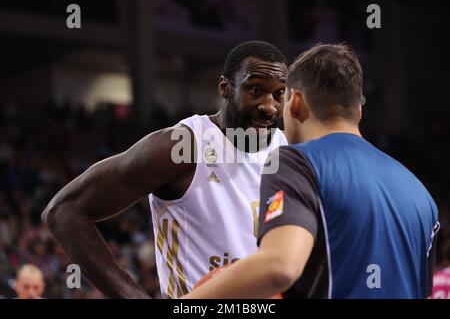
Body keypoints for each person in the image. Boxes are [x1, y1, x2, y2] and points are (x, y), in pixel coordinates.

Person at [183, 43, 440, 299]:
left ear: (294, 102)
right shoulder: (421, 194)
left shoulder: (297, 162)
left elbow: (279, 267)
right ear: (358, 111)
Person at [41, 41, 288, 298]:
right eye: (255, 90)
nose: (269, 106)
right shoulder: (184, 146)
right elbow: (64, 210)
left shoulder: (292, 150)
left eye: (279, 94)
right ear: (224, 88)